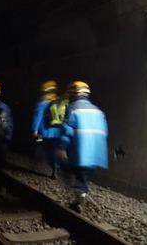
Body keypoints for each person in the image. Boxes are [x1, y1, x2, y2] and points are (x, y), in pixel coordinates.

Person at [55, 81, 108, 213]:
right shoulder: (98, 111)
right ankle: (81, 193)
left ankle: (78, 192)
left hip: (79, 150)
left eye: (70, 94)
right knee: (83, 175)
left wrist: (61, 147)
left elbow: (67, 130)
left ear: (74, 94)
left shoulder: (73, 108)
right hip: (95, 153)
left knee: (67, 169)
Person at [31, 80, 62, 179]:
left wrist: (34, 130)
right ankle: (55, 168)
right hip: (57, 131)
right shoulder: (58, 101)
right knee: (54, 149)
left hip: (45, 132)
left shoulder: (42, 102)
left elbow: (37, 116)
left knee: (45, 148)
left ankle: (39, 163)